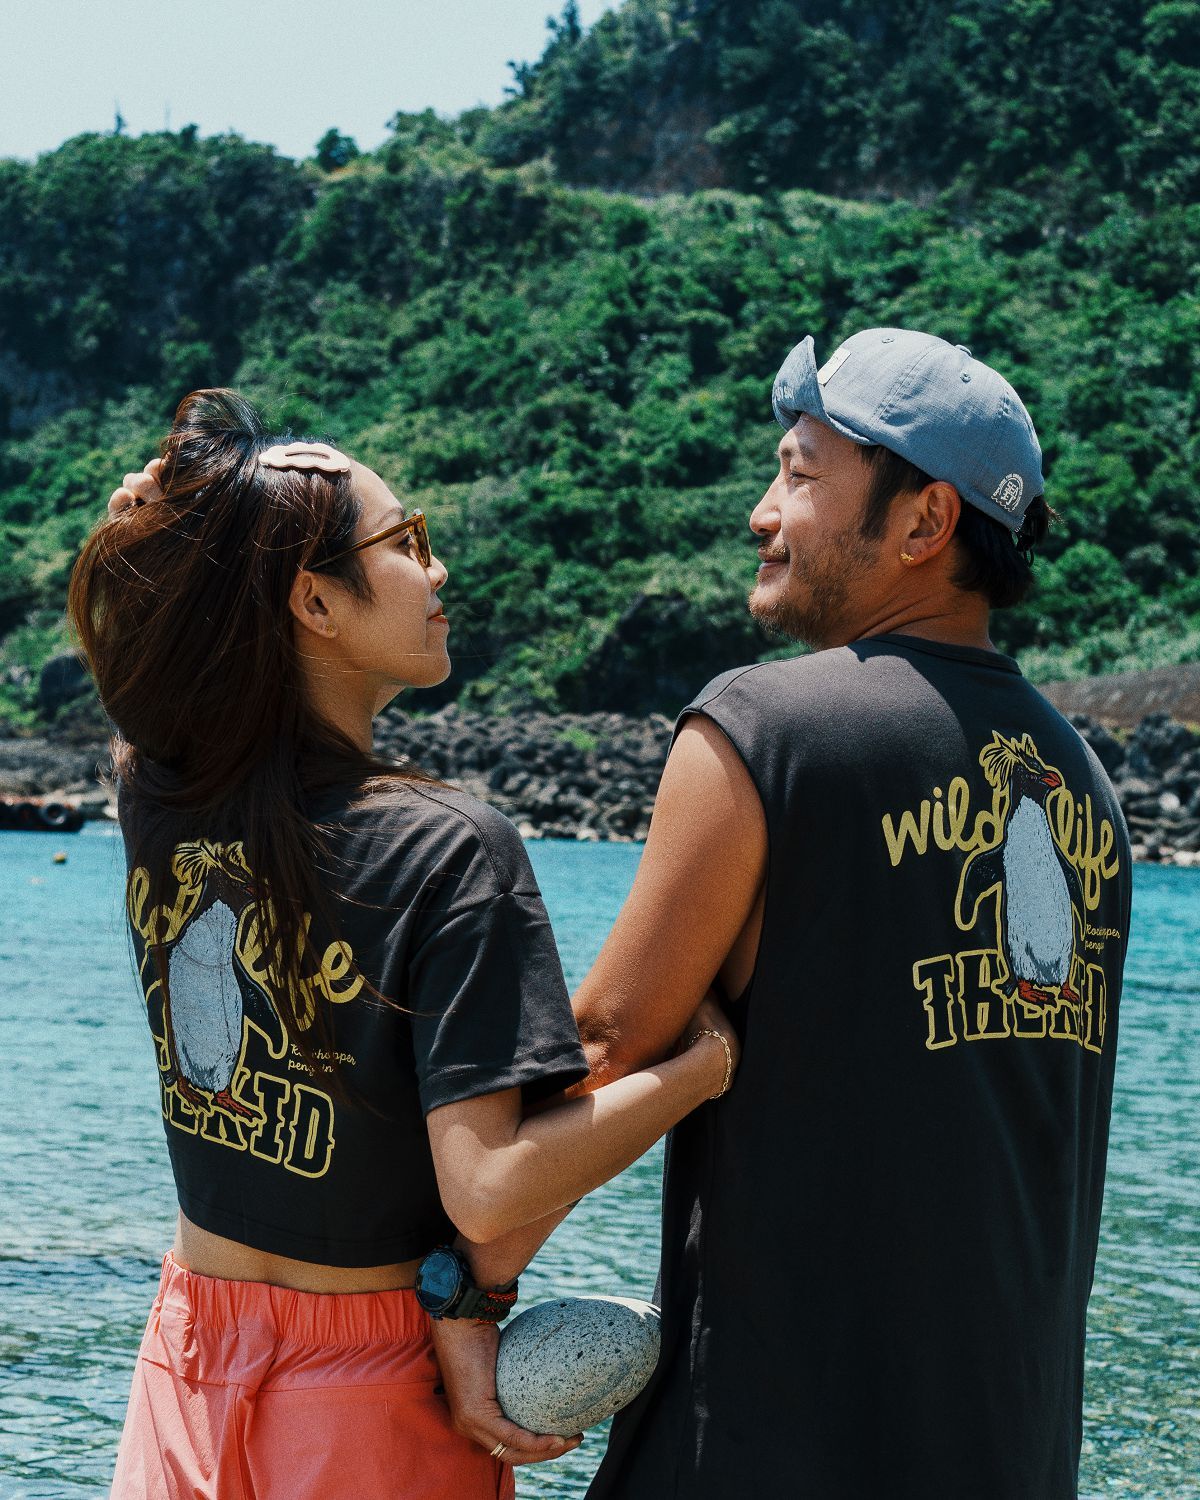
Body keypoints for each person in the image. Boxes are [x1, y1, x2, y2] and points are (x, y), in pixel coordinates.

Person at [446, 328, 1133, 1498]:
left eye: (800, 475)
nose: (763, 513)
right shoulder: (1085, 788)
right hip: (1012, 1458)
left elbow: (608, 1049)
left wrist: (463, 1296)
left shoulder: (768, 732)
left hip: (762, 1451)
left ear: (925, 522)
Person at [78, 388, 740, 1500]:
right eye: (406, 542)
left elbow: (137, 679)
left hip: (186, 1361)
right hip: (367, 1395)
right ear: (315, 602)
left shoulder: (159, 799)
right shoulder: (448, 849)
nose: (437, 572)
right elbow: (487, 1189)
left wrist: (150, 533)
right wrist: (701, 1070)